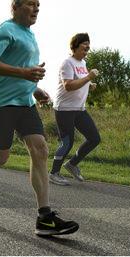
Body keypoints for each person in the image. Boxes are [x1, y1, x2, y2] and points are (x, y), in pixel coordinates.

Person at [0, 0, 79, 236]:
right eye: (31, 4)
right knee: (0, 156)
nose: (36, 9)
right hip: (1, 103)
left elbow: (24, 70)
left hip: (24, 103)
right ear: (16, 6)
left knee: (40, 148)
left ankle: (44, 217)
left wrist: (35, 89)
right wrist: (25, 74)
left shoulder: (31, 36)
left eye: (39, 5)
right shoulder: (5, 30)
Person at [49, 33, 101, 185]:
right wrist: (89, 78)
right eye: (84, 45)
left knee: (94, 138)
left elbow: (79, 81)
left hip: (79, 108)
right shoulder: (67, 63)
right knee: (67, 142)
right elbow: (68, 85)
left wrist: (89, 85)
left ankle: (72, 164)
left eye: (88, 46)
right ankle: (54, 173)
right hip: (64, 109)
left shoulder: (83, 63)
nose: (87, 48)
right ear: (75, 46)